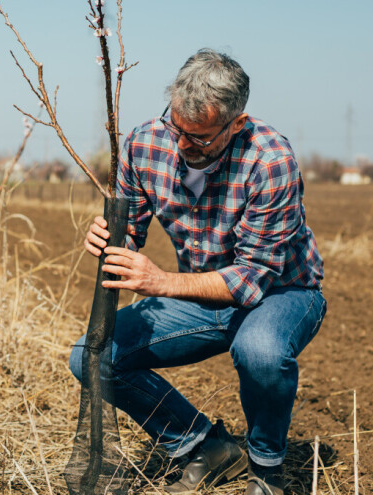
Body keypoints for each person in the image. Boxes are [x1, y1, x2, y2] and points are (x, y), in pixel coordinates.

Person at [72, 48, 326, 495]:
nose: (182, 144)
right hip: (200, 294)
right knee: (92, 356)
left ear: (237, 124)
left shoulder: (270, 161)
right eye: (176, 128)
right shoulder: (144, 143)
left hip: (282, 293)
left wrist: (159, 281)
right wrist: (111, 239)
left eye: (201, 137)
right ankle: (204, 445)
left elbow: (251, 280)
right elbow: (130, 230)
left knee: (261, 351)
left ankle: (267, 470)